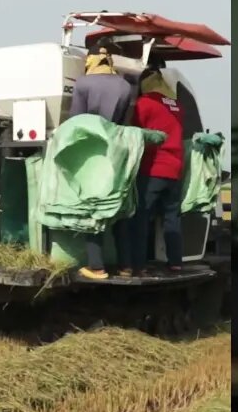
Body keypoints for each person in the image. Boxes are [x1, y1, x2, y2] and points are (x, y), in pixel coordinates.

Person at [70, 38, 137, 279]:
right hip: (118, 151)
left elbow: (75, 122)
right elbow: (124, 121)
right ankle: (126, 265)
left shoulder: (83, 83)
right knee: (119, 208)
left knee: (94, 209)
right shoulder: (124, 86)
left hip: (93, 153)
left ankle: (96, 266)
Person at [122, 66, 184, 277]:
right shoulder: (176, 105)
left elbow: (134, 134)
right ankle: (175, 262)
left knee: (140, 217)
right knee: (171, 217)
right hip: (174, 169)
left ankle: (139, 265)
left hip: (153, 168)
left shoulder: (144, 104)